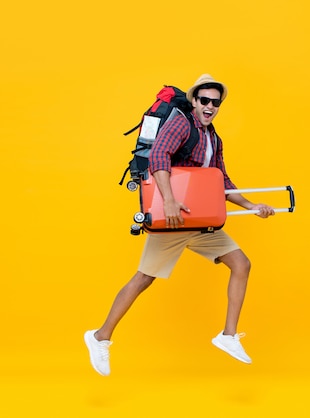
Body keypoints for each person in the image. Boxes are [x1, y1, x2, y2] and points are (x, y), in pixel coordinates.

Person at [84, 74, 274, 376]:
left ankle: (227, 336)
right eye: (204, 100)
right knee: (143, 279)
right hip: (174, 219)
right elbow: (159, 155)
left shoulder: (214, 138)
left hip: (200, 221)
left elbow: (221, 180)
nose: (210, 106)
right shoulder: (182, 124)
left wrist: (252, 206)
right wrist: (169, 201)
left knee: (241, 264)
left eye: (216, 102)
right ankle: (99, 337)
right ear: (195, 100)